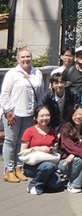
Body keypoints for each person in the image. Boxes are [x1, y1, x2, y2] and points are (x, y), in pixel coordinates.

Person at [1, 47, 44, 183]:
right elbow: (4, 94)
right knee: (10, 141)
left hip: (29, 113)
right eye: (23, 57)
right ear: (18, 59)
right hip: (13, 113)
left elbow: (41, 94)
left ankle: (19, 167)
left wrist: (37, 113)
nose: (26, 59)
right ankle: (9, 170)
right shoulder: (12, 73)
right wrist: (8, 111)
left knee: (23, 141)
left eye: (28, 56)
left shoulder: (37, 73)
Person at [18, 105, 62, 194]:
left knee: (57, 183)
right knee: (48, 166)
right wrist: (38, 149)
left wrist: (52, 150)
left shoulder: (53, 132)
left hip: (49, 164)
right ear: (35, 117)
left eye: (47, 115)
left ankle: (42, 180)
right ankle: (35, 185)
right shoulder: (29, 131)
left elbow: (55, 149)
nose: (45, 118)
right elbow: (22, 153)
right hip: (31, 166)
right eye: (42, 116)